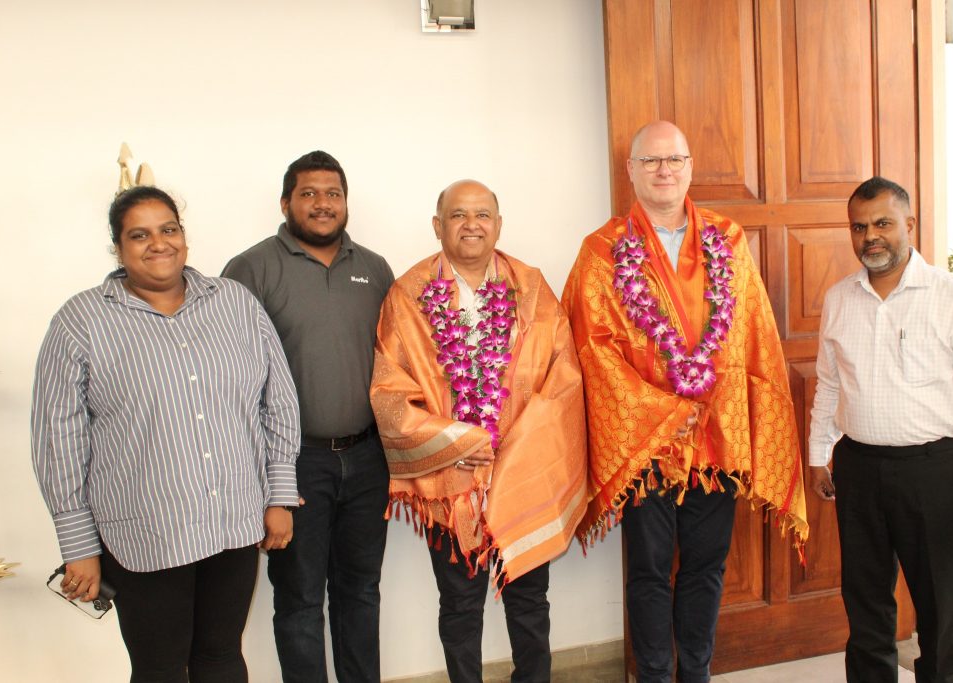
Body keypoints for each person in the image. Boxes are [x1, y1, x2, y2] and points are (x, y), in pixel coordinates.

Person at [563, 120, 808, 683]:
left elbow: (751, 333)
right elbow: (592, 348)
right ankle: (653, 675)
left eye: (674, 159)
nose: (664, 170)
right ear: (631, 170)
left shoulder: (728, 239)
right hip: (644, 443)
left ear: (690, 167)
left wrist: (727, 410)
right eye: (651, 160)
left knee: (705, 566)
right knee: (648, 571)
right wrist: (663, 413)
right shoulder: (602, 251)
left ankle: (695, 672)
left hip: (716, 438)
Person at [32, 185, 301, 682]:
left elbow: (278, 399)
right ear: (118, 247)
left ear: (184, 236)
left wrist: (279, 495)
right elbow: (58, 439)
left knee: (222, 657)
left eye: (168, 229)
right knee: (159, 668)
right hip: (145, 533)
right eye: (140, 235)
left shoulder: (234, 303)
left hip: (233, 523)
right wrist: (79, 546)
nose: (158, 243)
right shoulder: (80, 322)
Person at [369, 179, 587, 683]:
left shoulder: (531, 288)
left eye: (483, 214)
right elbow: (390, 392)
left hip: (523, 474)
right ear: (437, 225)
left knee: (529, 601)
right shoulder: (407, 295)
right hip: (449, 480)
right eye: (458, 215)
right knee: (460, 606)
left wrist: (516, 450)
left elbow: (562, 378)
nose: (472, 225)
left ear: (499, 225)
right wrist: (457, 444)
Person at [808, 176, 953, 683]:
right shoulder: (839, 299)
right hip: (858, 469)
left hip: (931, 472)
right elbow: (829, 384)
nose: (870, 237)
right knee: (865, 604)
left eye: (882, 223)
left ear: (910, 224)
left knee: (939, 609)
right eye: (859, 227)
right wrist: (818, 454)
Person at [222, 151, 394, 683]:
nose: (323, 204)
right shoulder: (249, 270)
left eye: (333, 194)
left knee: (361, 590)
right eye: (309, 194)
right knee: (299, 599)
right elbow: (231, 376)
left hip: (368, 459)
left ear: (346, 202)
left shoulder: (375, 268)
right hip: (293, 465)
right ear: (285, 203)